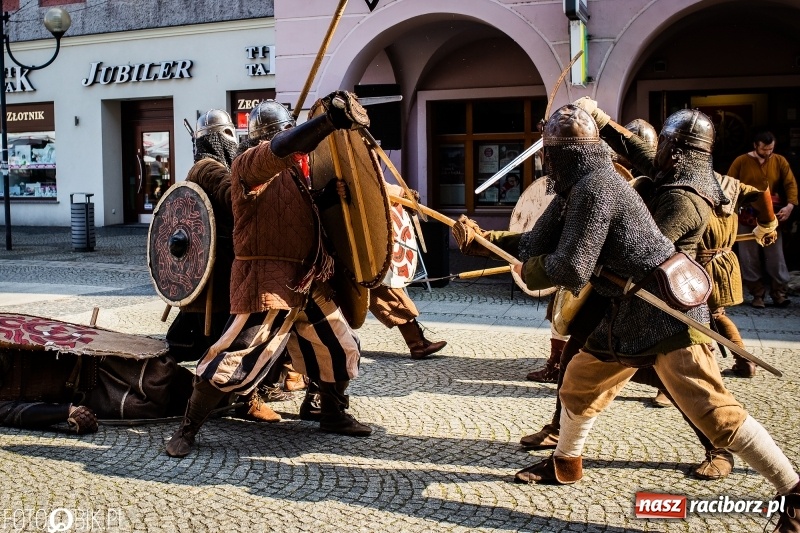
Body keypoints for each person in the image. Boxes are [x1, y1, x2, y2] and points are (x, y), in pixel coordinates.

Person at [453, 105, 799, 531]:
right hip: (627, 311)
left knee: (715, 414)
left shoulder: (600, 189)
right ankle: (565, 462)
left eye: (549, 153)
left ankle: (793, 491)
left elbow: (574, 266)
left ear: (566, 155)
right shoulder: (577, 188)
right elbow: (540, 239)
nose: (545, 162)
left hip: (666, 313)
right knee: (578, 382)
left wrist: (532, 270)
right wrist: (484, 242)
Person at [166, 91, 373, 458]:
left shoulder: (294, 173)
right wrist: (327, 122)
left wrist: (325, 196)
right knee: (231, 358)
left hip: (307, 278)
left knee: (341, 348)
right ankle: (187, 430)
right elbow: (278, 155)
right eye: (289, 135)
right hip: (268, 280)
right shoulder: (249, 165)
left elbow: (295, 212)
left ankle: (332, 413)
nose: (298, 143)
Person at [728, 130, 798, 308]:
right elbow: (729, 183)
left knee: (775, 256)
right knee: (748, 256)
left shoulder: (779, 160)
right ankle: (757, 294)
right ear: (755, 146)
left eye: (770, 149)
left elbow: (790, 183)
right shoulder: (741, 161)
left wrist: (790, 205)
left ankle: (779, 293)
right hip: (746, 214)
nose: (768, 152)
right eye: (764, 149)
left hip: (770, 214)